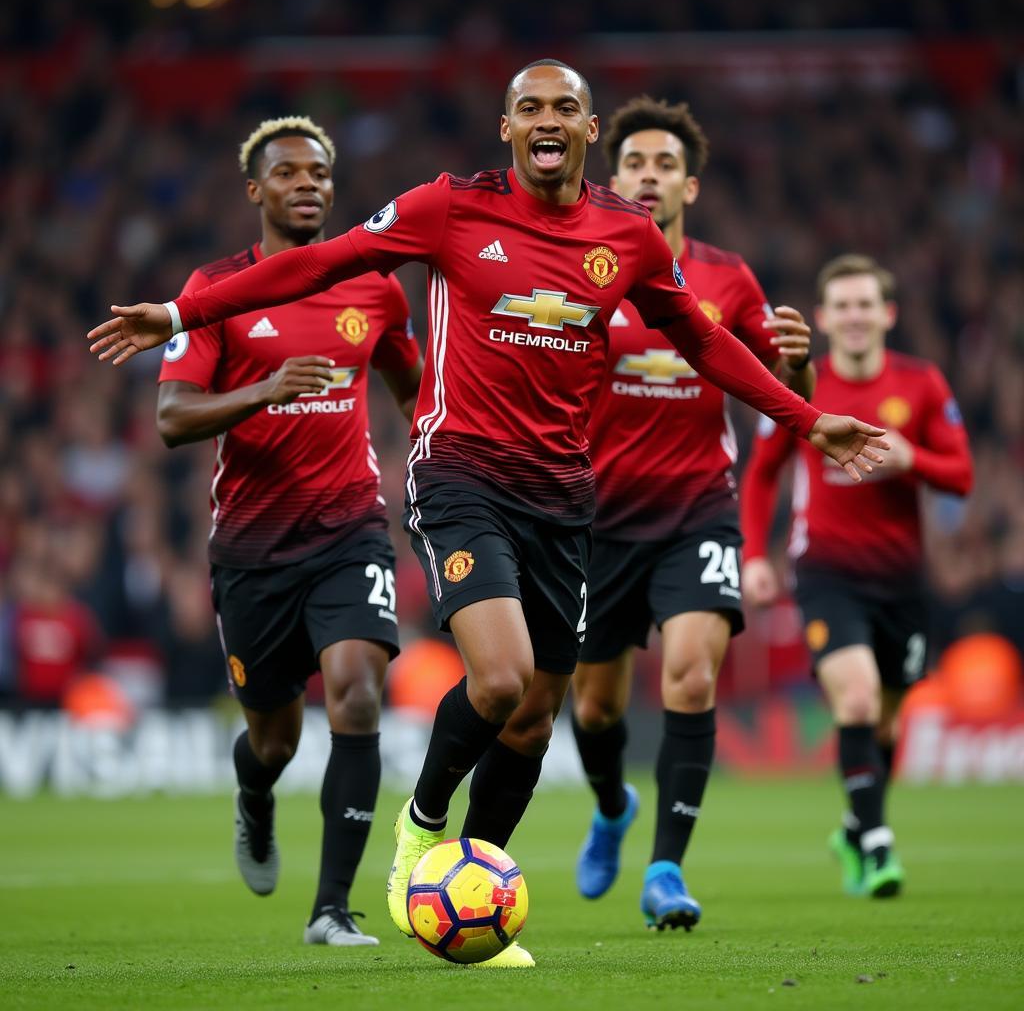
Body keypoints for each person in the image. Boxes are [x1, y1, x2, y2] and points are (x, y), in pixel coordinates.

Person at [89, 62, 889, 967]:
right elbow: (324, 260)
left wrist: (810, 419)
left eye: (564, 109)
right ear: (506, 128)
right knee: (501, 679)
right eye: (529, 109)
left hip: (564, 494)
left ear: (588, 129)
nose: (547, 120)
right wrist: (180, 310)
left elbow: (701, 339)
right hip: (460, 474)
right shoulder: (448, 208)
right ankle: (420, 834)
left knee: (535, 716)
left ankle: (482, 884)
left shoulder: (624, 235)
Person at [155, 117, 422, 946]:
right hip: (253, 552)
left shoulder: (375, 286)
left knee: (358, 692)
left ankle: (332, 909)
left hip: (349, 530)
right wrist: (264, 390)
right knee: (272, 740)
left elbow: (417, 396)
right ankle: (255, 796)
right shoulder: (217, 290)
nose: (307, 183)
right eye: (288, 173)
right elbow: (172, 417)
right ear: (256, 190)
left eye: (319, 172)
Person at [570, 96, 814, 931]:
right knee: (596, 707)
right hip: (596, 520)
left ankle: (667, 870)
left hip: (695, 511)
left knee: (690, 676)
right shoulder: (584, 267)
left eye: (664, 164)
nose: (648, 175)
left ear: (690, 185)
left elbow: (777, 392)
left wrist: (801, 369)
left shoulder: (727, 278)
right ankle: (611, 810)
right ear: (614, 176)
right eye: (634, 161)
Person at [740, 253, 973, 898]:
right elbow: (761, 472)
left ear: (887, 313)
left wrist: (913, 458)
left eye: (865, 303)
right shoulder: (798, 381)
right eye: (841, 305)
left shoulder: (922, 384)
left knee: (888, 722)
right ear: (822, 317)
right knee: (859, 699)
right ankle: (877, 843)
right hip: (826, 572)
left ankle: (854, 824)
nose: (854, 316)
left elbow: (961, 474)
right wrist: (756, 555)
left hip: (900, 579)